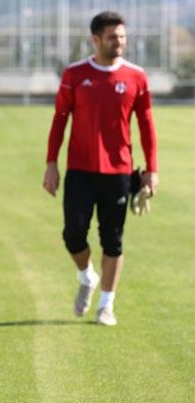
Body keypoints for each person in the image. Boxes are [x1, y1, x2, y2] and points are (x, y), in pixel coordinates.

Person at [43, 11, 158, 326]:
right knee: (73, 234)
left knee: (113, 240)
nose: (118, 42)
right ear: (95, 40)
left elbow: (146, 125)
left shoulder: (136, 77)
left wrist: (152, 169)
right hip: (80, 170)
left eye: (122, 36)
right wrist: (51, 163)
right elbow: (59, 120)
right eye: (112, 37)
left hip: (119, 172)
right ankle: (87, 277)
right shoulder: (75, 74)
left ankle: (106, 305)